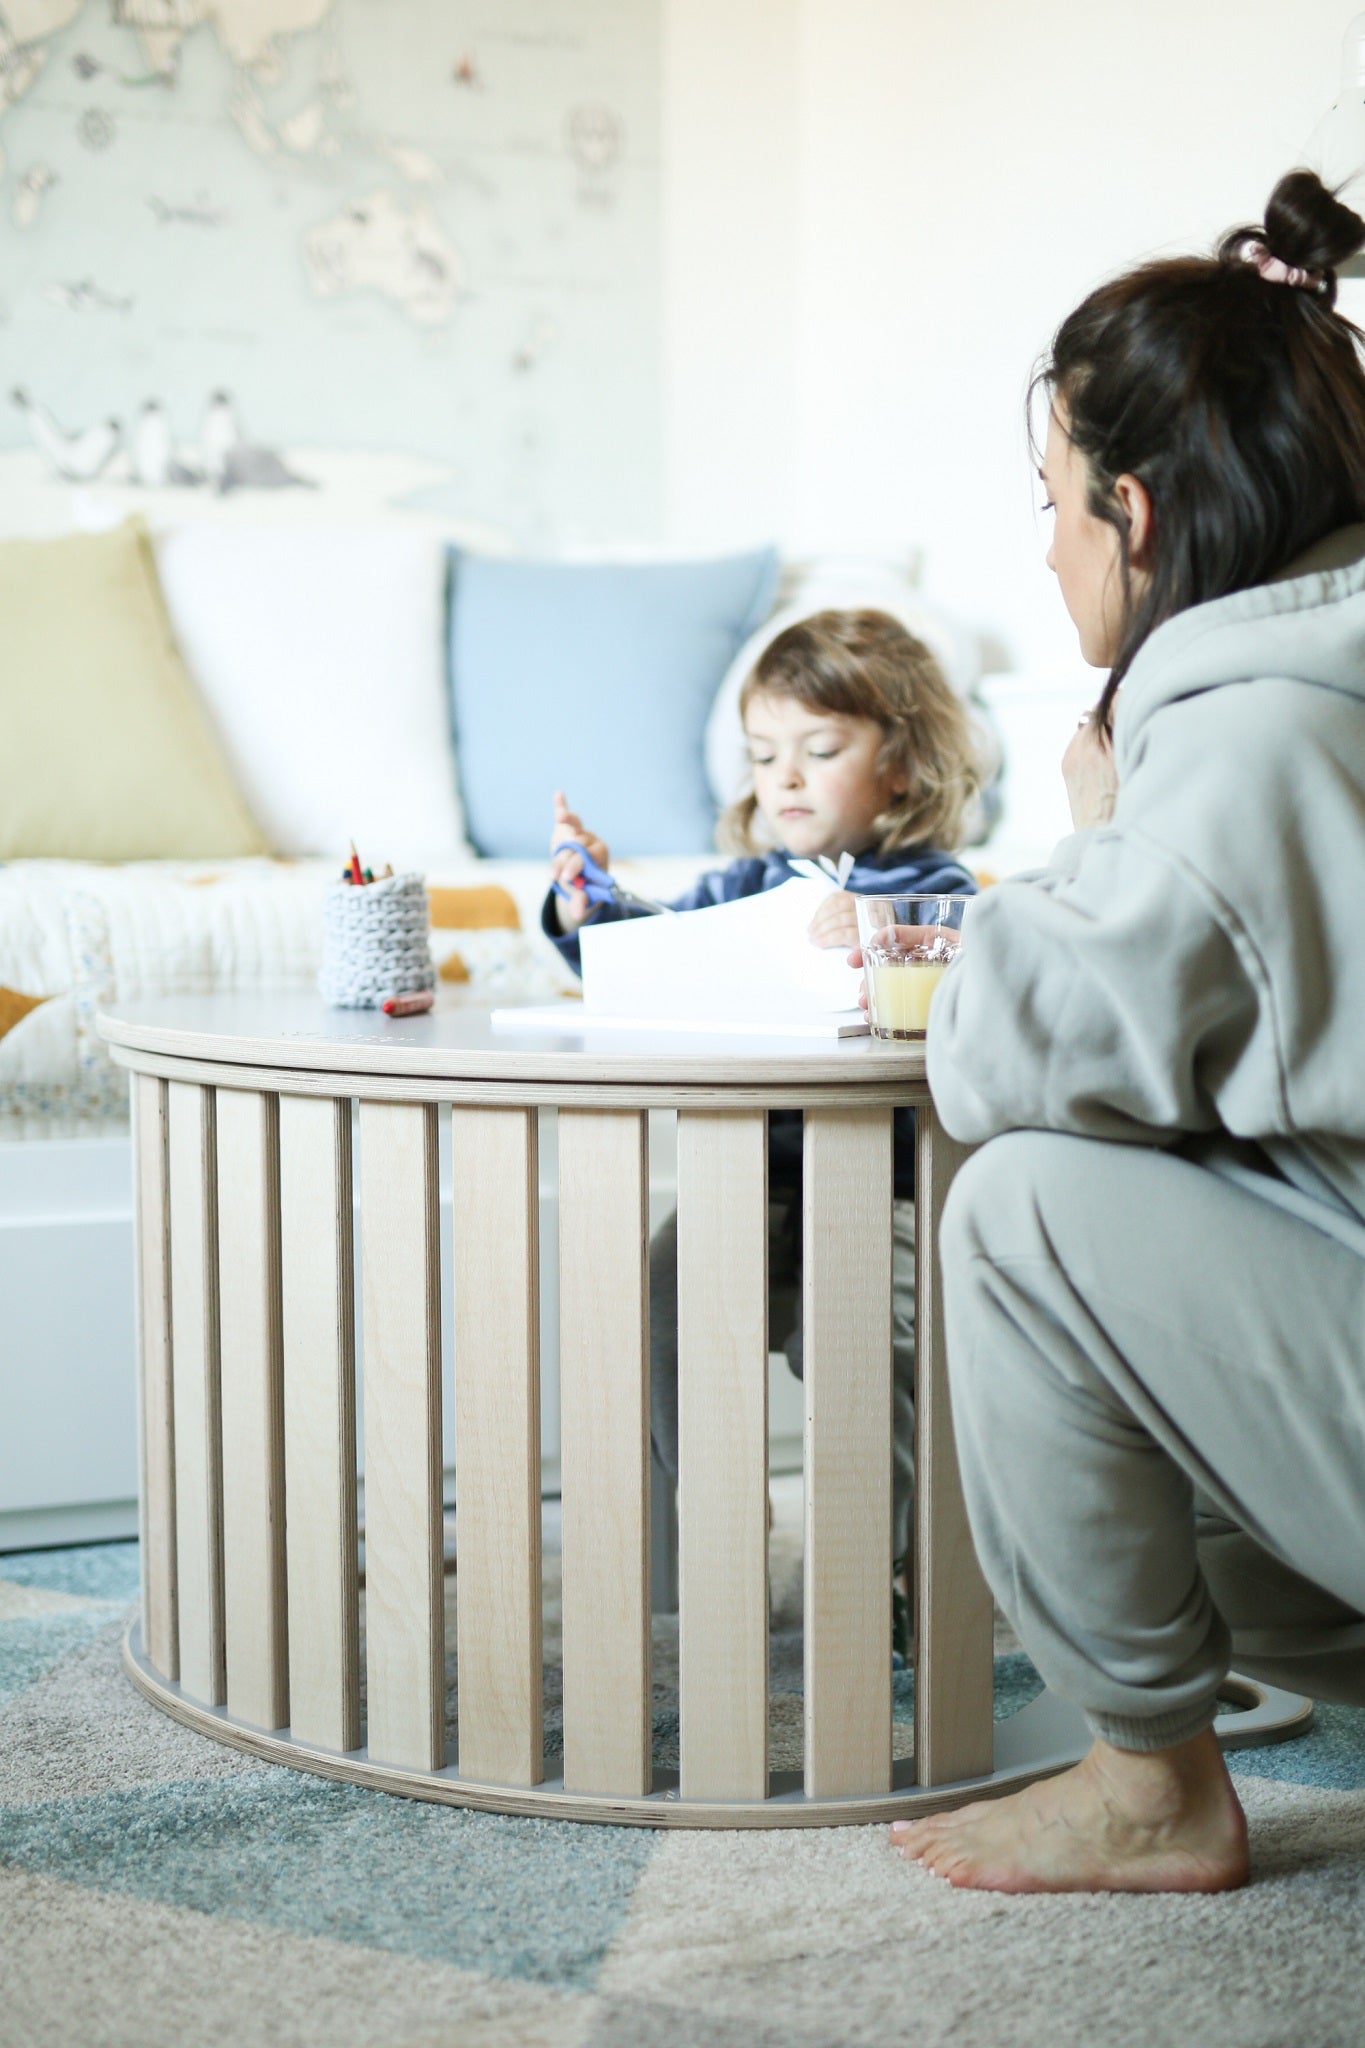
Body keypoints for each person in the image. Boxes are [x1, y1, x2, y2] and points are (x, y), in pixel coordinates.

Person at [884, 169, 1365, 1893]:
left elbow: (998, 1057)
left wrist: (1093, 843)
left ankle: (1152, 1788)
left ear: (1137, 515)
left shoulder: (1248, 754)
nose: (1047, 547)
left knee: (1017, 1211)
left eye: (1053, 505)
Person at [544, 608, 982, 1638]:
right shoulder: (740, 887)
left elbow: (959, 975)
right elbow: (655, 960)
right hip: (747, 1186)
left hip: (885, 1192)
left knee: (886, 1351)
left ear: (904, 768)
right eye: (763, 755)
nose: (783, 777)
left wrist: (875, 934)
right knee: (667, 1289)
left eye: (820, 750)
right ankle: (725, 1523)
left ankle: (873, 1560)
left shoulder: (933, 885)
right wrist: (588, 908)